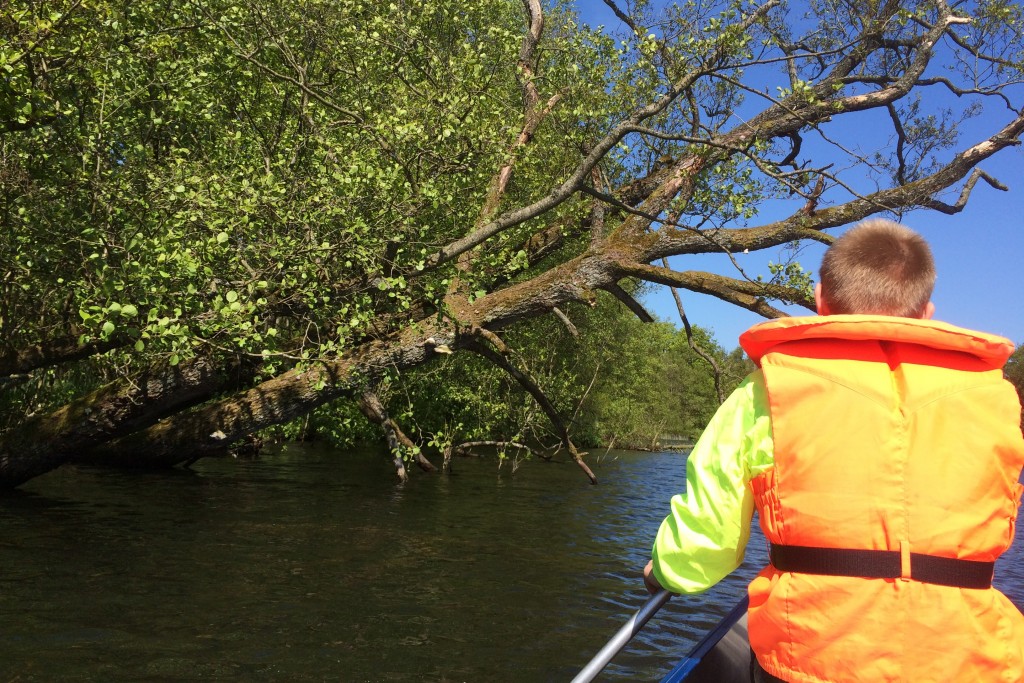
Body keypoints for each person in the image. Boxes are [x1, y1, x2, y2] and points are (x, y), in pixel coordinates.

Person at [643, 219, 1024, 682]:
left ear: (820, 299)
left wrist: (668, 571)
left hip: (814, 656)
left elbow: (711, 536)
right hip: (969, 658)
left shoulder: (765, 392)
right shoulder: (998, 400)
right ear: (927, 313)